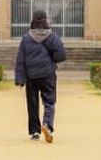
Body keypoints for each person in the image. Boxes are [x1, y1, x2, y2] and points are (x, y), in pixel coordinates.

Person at [14, 10, 67, 141]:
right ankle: (47, 125)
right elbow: (61, 55)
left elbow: (20, 60)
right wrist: (52, 60)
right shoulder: (52, 37)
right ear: (45, 20)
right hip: (47, 74)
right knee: (49, 102)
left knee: (32, 103)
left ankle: (34, 132)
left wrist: (20, 80)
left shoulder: (26, 38)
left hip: (31, 76)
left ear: (33, 20)